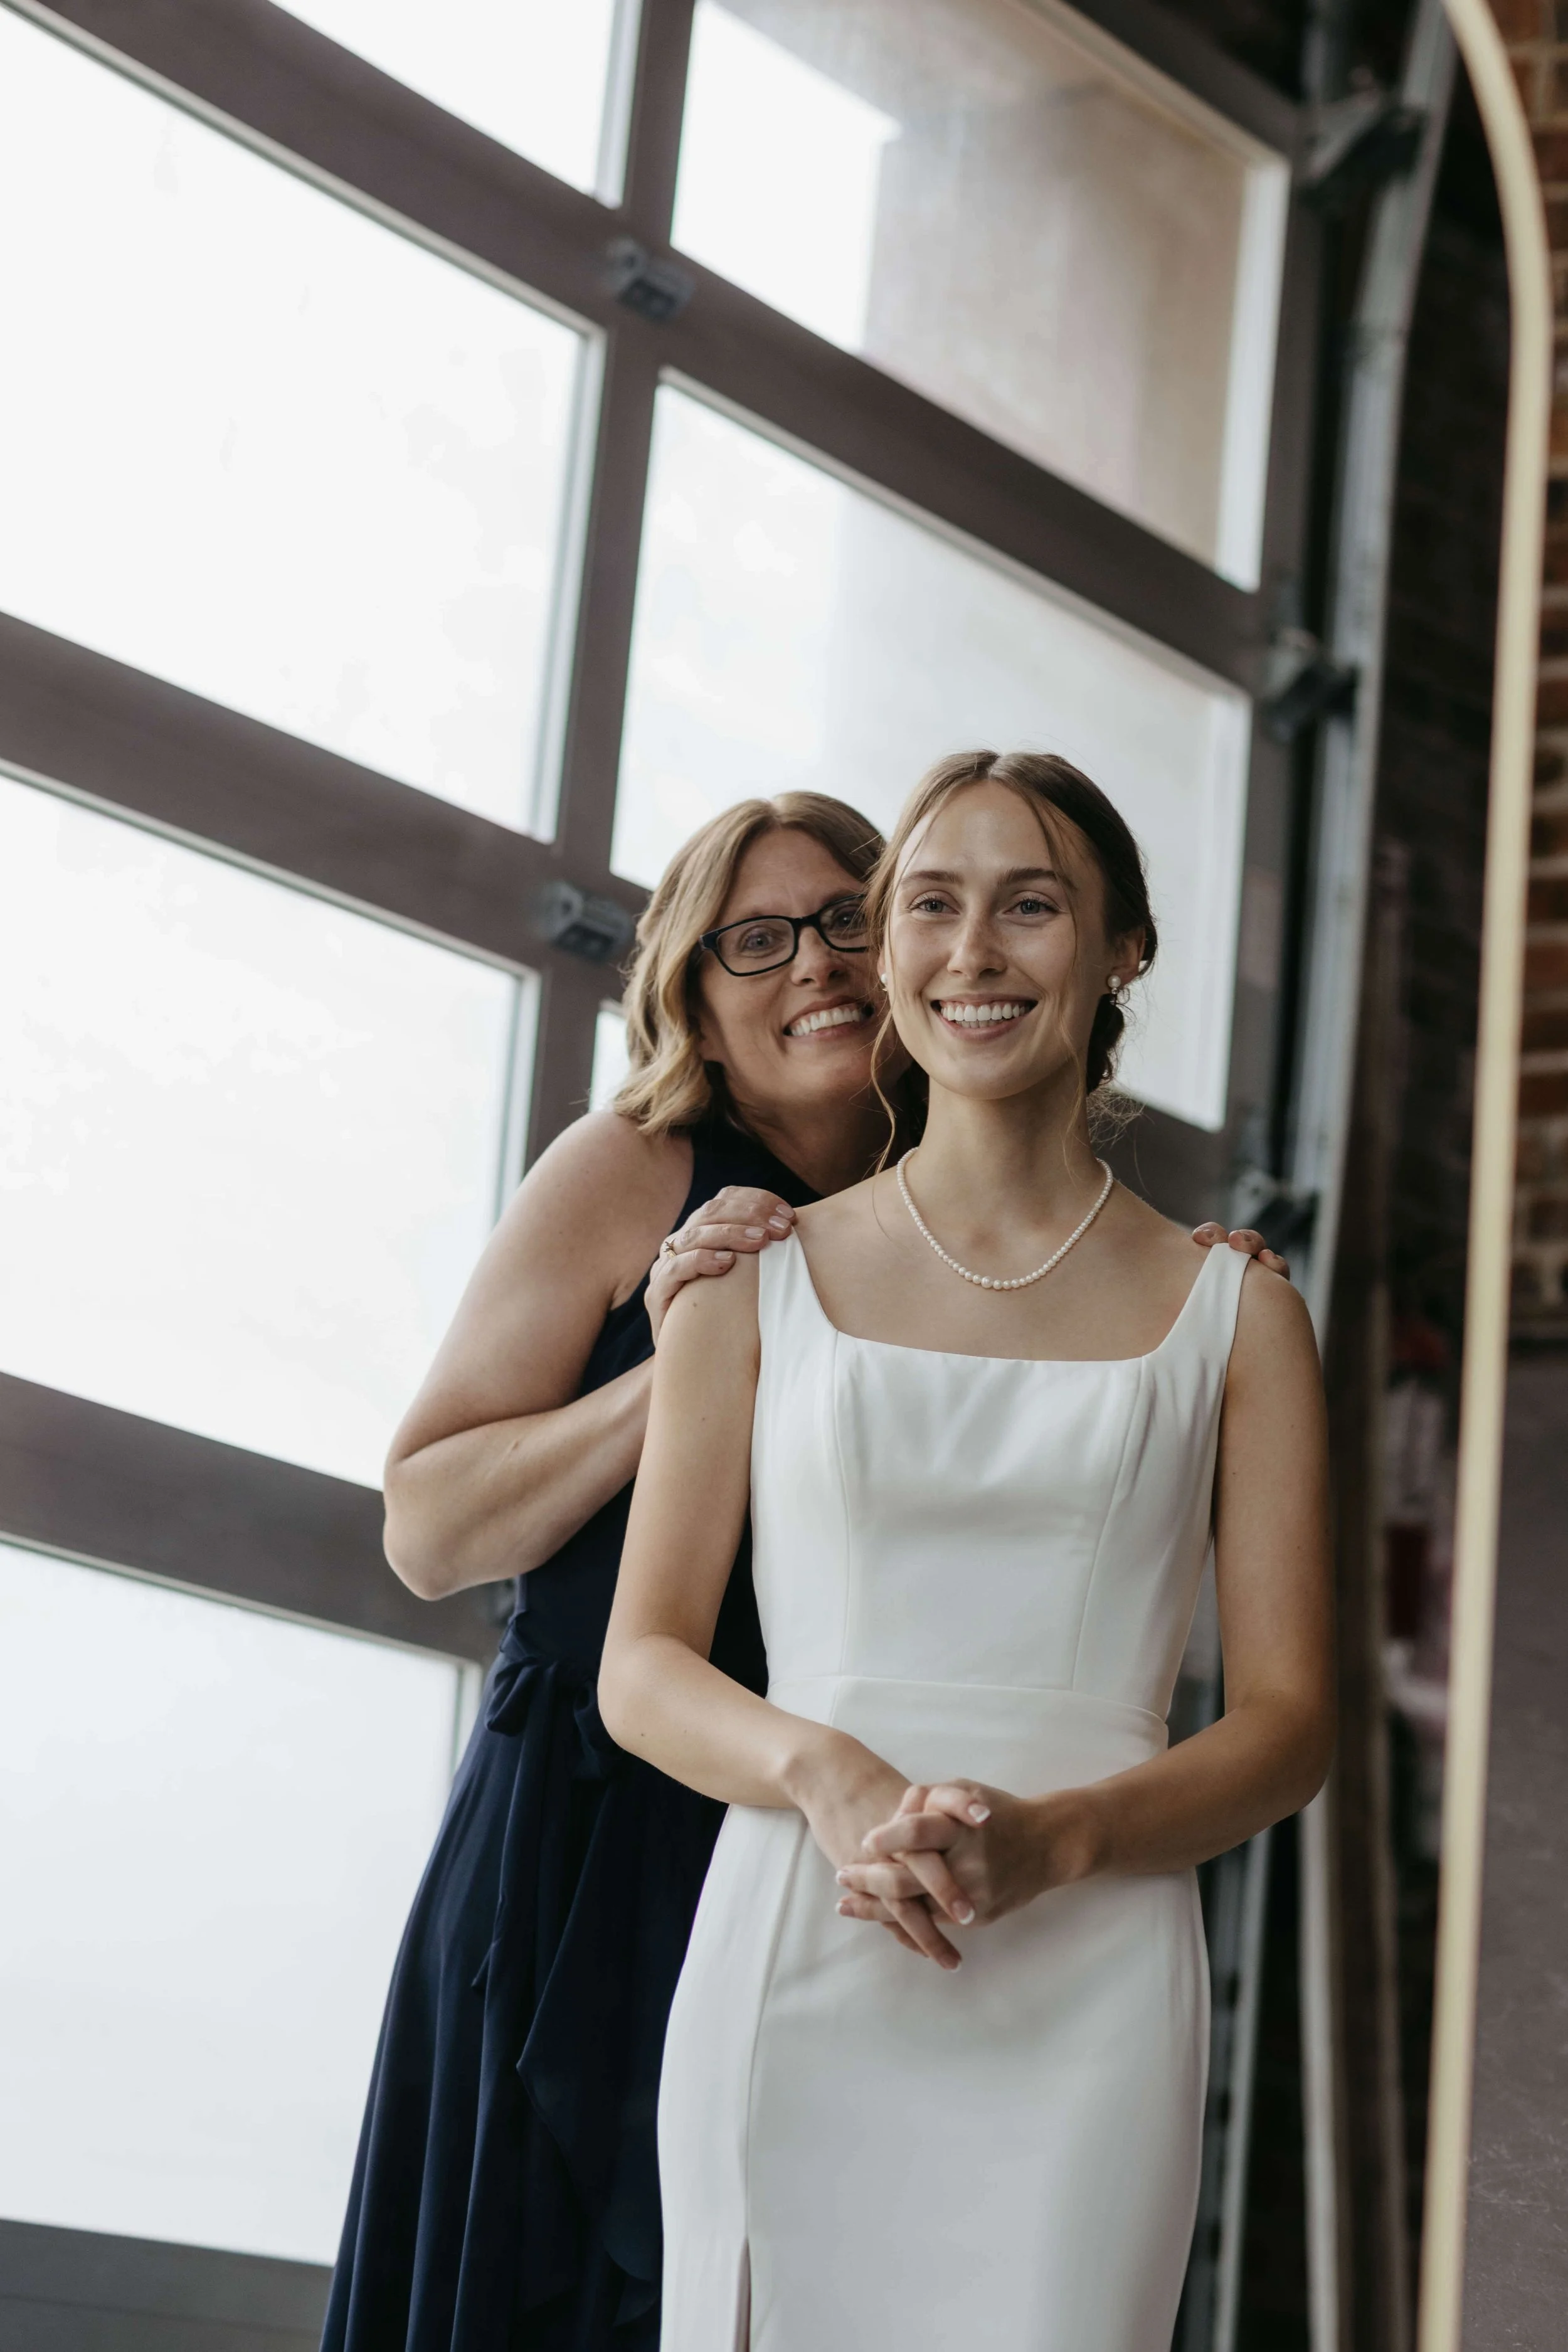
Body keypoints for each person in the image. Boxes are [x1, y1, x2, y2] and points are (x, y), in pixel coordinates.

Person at [322, 785, 1288, 2352]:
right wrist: (699, 1356)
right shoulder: (643, 1172)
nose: (817, 968)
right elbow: (425, 1526)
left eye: (845, 917)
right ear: (692, 1003)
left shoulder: (963, 1194)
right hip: (602, 1814)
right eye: (753, 942)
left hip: (873, 1829)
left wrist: (1208, 1303)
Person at [600, 750, 1332, 2352]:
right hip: (801, 1934)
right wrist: (829, 1777)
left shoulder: (1238, 1313)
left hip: (1091, 1996)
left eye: (1031, 906)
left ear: (1122, 947)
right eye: (926, 906)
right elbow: (641, 1670)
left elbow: (1287, 1730)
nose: (972, 954)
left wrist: (1058, 1845)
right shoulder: (750, 1277)